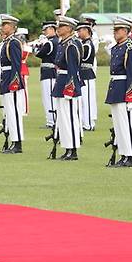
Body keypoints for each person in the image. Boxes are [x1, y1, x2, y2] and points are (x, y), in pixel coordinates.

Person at [105, 17, 132, 168]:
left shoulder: (129, 48)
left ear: (125, 31)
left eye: (117, 30)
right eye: (114, 30)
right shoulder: (117, 47)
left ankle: (130, 156)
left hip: (124, 88)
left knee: (126, 125)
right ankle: (123, 155)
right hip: (115, 87)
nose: (114, 33)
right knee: (119, 126)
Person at [51, 16, 83, 160]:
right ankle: (67, 147)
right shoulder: (63, 43)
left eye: (62, 26)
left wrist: (70, 88)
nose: (59, 29)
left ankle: (73, 149)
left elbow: (73, 68)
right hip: (61, 80)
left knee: (70, 117)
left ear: (69, 28)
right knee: (63, 118)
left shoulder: (71, 44)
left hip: (67, 83)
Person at [0, 14, 26, 153]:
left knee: (14, 112)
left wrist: (14, 82)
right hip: (6, 78)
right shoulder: (7, 42)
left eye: (6, 24)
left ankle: (17, 143)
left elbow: (16, 64)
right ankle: (13, 141)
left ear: (13, 27)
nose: (3, 27)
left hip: (11, 80)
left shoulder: (14, 42)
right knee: (9, 112)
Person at [33, 21, 59, 129]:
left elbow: (38, 53)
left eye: (46, 29)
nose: (44, 32)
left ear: (52, 29)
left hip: (49, 72)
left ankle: (51, 121)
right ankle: (52, 120)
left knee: (49, 98)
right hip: (51, 72)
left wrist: (37, 45)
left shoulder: (50, 43)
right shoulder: (57, 41)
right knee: (50, 97)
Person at [77, 21, 97, 131]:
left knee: (87, 101)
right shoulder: (83, 43)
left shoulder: (87, 44)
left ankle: (88, 124)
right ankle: (86, 122)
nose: (78, 33)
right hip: (83, 74)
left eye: (80, 31)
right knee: (84, 100)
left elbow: (82, 58)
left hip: (87, 74)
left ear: (86, 30)